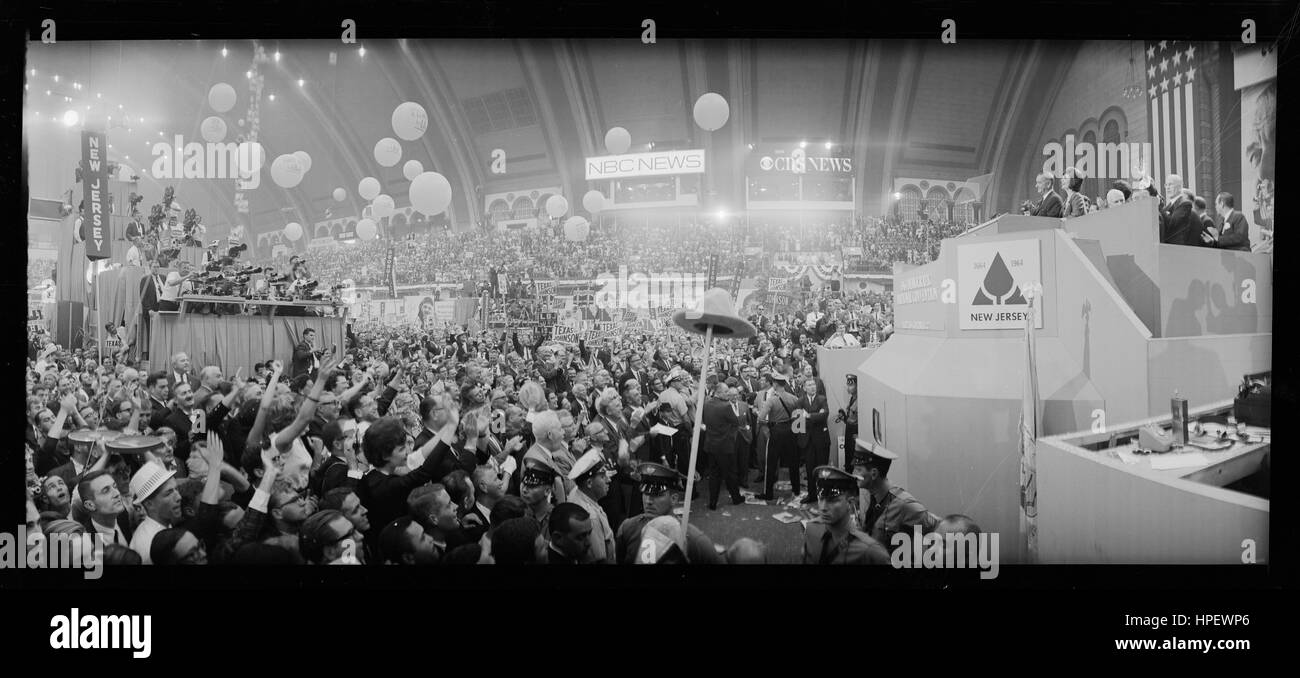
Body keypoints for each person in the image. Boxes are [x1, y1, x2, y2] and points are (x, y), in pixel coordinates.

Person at [613, 462, 720, 564]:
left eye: (657, 495)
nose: (648, 501)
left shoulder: (693, 540)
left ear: (673, 499)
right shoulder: (627, 529)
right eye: (645, 493)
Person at [853, 442, 937, 551]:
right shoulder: (874, 497)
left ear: (874, 474)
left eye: (858, 470)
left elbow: (938, 529)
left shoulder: (904, 504)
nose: (854, 473)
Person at [801, 466, 890, 564]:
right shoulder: (811, 529)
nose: (823, 507)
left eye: (832, 500)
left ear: (850, 503)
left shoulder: (870, 552)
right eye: (821, 498)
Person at [756, 371, 800, 501]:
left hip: (776, 432)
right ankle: (796, 489)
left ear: (775, 384)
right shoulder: (794, 398)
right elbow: (799, 418)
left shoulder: (771, 400)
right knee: (793, 462)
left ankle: (768, 493)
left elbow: (760, 418)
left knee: (771, 463)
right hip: (791, 431)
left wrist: (769, 423)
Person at [566, 448, 616, 563]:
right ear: (589, 483)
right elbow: (598, 558)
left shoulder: (577, 492)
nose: (608, 480)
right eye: (603, 477)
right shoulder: (590, 517)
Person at [128, 460, 181, 564]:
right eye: (168, 493)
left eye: (176, 489)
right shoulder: (149, 546)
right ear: (149, 504)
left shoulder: (164, 524)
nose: (179, 497)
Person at [701, 380, 744, 510]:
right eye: (726, 392)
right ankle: (736, 498)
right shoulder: (725, 406)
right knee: (730, 473)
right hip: (724, 446)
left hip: (711, 445)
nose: (728, 394)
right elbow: (736, 421)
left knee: (714, 475)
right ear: (718, 393)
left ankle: (712, 503)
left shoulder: (706, 404)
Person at [796, 376, 830, 504]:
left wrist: (808, 415)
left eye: (813, 385)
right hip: (808, 441)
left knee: (822, 469)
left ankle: (823, 494)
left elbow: (824, 415)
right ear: (804, 388)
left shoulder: (822, 399)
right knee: (810, 469)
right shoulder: (800, 401)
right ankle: (811, 495)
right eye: (809, 385)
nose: (812, 387)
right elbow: (798, 421)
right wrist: (816, 416)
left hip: (821, 440)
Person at [1160, 174, 1198, 246]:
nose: (1167, 188)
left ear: (1179, 187)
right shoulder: (1167, 207)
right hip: (1165, 248)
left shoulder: (1185, 204)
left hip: (1177, 249)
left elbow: (1172, 223)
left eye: (1170, 184)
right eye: (1166, 185)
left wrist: (1159, 206)